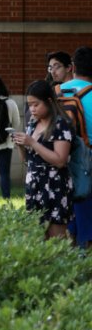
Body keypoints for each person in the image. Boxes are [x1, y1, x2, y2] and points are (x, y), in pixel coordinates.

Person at [13, 79, 73, 240]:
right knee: (37, 238)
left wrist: (32, 143)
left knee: (56, 239)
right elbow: (28, 160)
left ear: (49, 101)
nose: (32, 109)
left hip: (55, 186)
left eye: (36, 104)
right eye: (29, 105)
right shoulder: (33, 124)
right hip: (34, 186)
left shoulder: (60, 125)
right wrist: (21, 146)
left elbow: (60, 160)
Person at [63, 46, 92, 249]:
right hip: (87, 156)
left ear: (73, 67)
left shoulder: (56, 92)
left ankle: (71, 244)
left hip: (60, 156)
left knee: (68, 205)